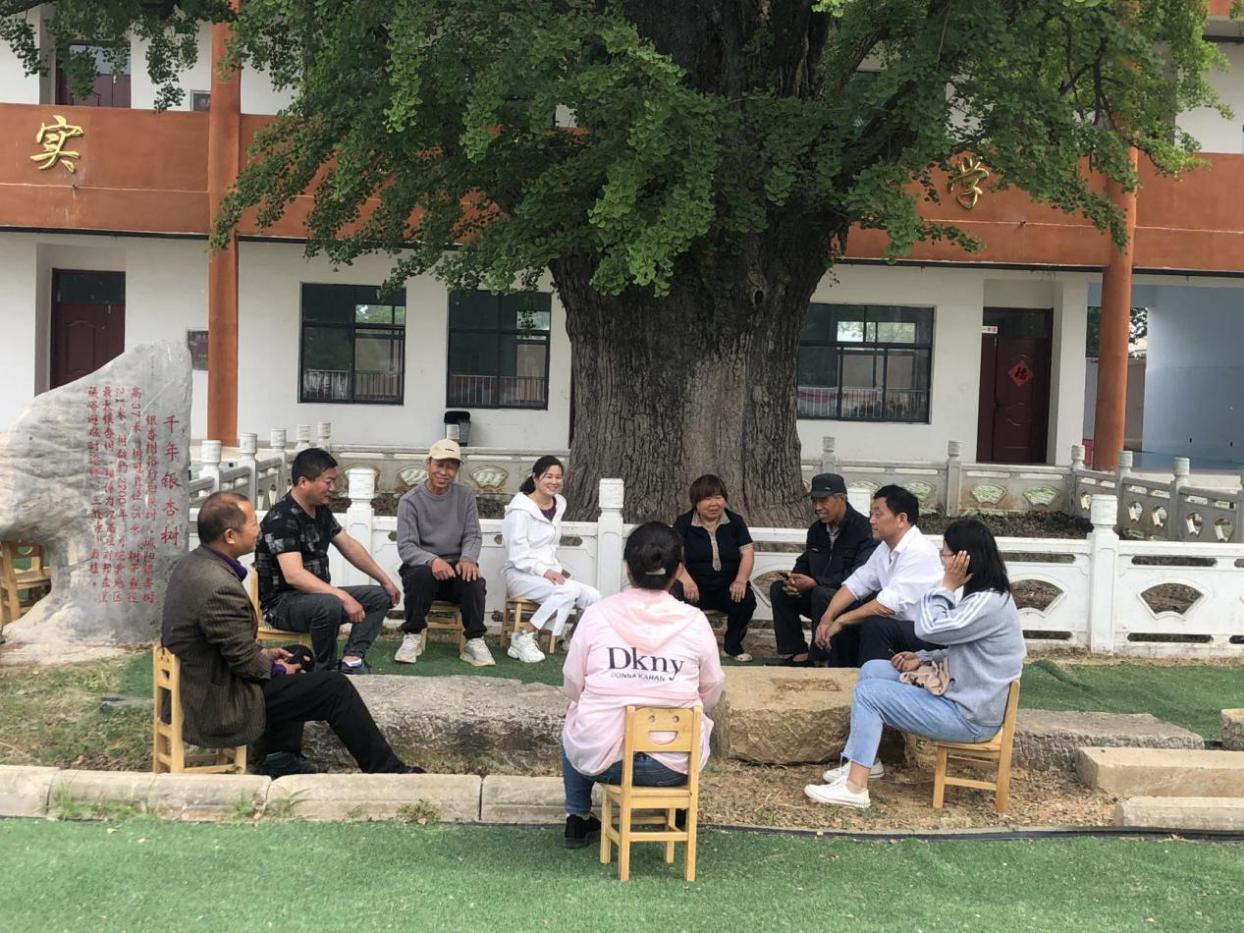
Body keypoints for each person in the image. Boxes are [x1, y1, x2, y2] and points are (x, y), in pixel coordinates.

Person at [163, 491, 422, 777]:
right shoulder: (219, 586)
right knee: (334, 687)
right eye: (252, 523)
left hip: (209, 677)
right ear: (230, 536)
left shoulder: (195, 563)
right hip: (220, 698)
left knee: (300, 656)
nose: (258, 529)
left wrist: (266, 654)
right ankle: (388, 770)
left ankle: (280, 757)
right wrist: (275, 668)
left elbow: (223, 640)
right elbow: (245, 663)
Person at [804, 517, 1026, 808]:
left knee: (869, 695)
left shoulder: (988, 603)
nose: (942, 561)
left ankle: (855, 789)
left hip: (968, 716)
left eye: (946, 554)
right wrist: (921, 658)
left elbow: (927, 628)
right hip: (960, 696)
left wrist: (946, 586)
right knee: (873, 669)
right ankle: (866, 760)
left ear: (964, 560)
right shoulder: (986, 597)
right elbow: (965, 651)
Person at [560, 522, 726, 849]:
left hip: (603, 762)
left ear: (627, 567)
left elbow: (573, 682)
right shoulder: (695, 622)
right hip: (673, 765)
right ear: (677, 570)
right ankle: (680, 809)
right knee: (696, 718)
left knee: (575, 712)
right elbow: (712, 687)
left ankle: (577, 818)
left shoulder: (596, 615)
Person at [256, 448, 399, 674]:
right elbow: (294, 575)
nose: (333, 488)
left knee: (379, 596)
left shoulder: (320, 510)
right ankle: (327, 670)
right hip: (282, 605)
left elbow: (349, 545)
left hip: (318, 598)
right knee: (330, 603)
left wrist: (385, 580)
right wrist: (342, 596)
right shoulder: (281, 518)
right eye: (328, 481)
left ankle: (352, 660)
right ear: (303, 482)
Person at [812, 484, 944, 667]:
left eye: (878, 514)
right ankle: (841, 675)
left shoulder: (920, 551)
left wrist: (841, 620)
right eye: (871, 514)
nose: (871, 520)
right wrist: (828, 617)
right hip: (898, 625)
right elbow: (856, 583)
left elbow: (887, 606)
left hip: (926, 632)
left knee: (874, 624)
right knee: (842, 613)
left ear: (901, 519)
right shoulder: (884, 548)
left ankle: (871, 679)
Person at [393, 438, 493, 666]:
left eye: (451, 467)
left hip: (456, 565)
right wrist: (432, 561)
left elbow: (473, 534)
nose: (444, 472)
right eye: (439, 465)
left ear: (457, 470)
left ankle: (475, 640)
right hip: (424, 567)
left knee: (474, 579)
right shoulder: (410, 501)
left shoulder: (465, 496)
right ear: (428, 464)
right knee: (419, 576)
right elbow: (407, 546)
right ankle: (412, 636)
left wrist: (468, 558)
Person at [501, 455, 601, 663]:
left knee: (593, 596)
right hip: (520, 574)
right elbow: (517, 553)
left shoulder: (559, 503)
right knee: (568, 590)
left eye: (558, 477)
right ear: (535, 478)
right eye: (548, 476)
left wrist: (551, 570)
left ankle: (571, 640)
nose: (554, 481)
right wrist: (544, 571)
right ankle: (523, 636)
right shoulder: (519, 509)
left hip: (551, 574)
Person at [769, 472, 877, 666]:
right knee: (779, 589)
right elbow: (806, 560)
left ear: (841, 498)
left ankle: (820, 657)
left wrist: (815, 583)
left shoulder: (863, 529)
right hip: (818, 593)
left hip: (850, 600)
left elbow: (859, 575)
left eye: (823, 501)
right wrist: (795, 580)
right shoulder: (816, 530)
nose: (817, 507)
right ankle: (797, 652)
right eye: (814, 501)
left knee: (820, 593)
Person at [670, 474, 757, 662]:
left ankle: (732, 646)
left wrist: (740, 580)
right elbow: (672, 555)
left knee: (746, 599)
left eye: (718, 498)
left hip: (727, 587)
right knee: (672, 594)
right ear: (696, 502)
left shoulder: (735, 522)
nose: (714, 504)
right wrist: (686, 580)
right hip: (694, 588)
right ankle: (682, 648)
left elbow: (747, 552)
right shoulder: (684, 523)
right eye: (707, 498)